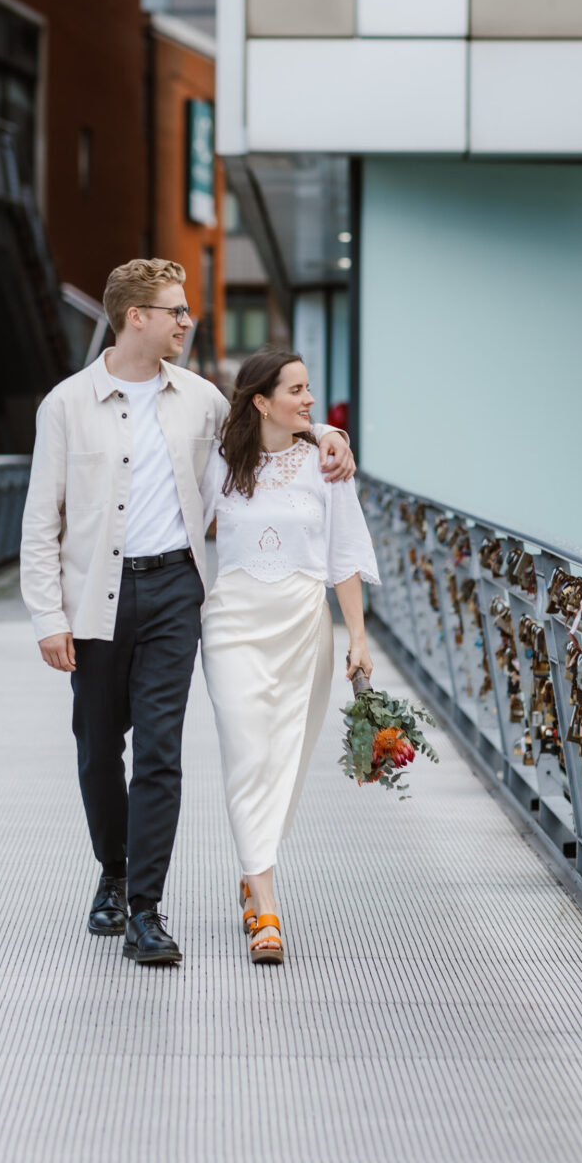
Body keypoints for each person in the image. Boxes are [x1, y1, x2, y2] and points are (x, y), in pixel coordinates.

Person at [19, 260, 354, 967]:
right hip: (97, 600)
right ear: (134, 317)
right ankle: (113, 870)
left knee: (162, 754)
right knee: (97, 749)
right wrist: (48, 616)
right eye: (174, 310)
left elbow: (269, 420)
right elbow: (39, 521)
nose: (185, 321)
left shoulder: (200, 399)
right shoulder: (67, 405)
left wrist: (325, 431)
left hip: (177, 589)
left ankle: (146, 909)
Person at [201, 348, 380, 965]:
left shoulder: (325, 466)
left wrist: (357, 636)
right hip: (231, 624)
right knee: (248, 753)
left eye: (309, 388)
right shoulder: (218, 462)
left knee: (287, 758)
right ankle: (269, 910)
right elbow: (182, 529)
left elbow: (345, 556)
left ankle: (253, 874)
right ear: (261, 401)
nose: (309, 400)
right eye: (297, 390)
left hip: (304, 624)